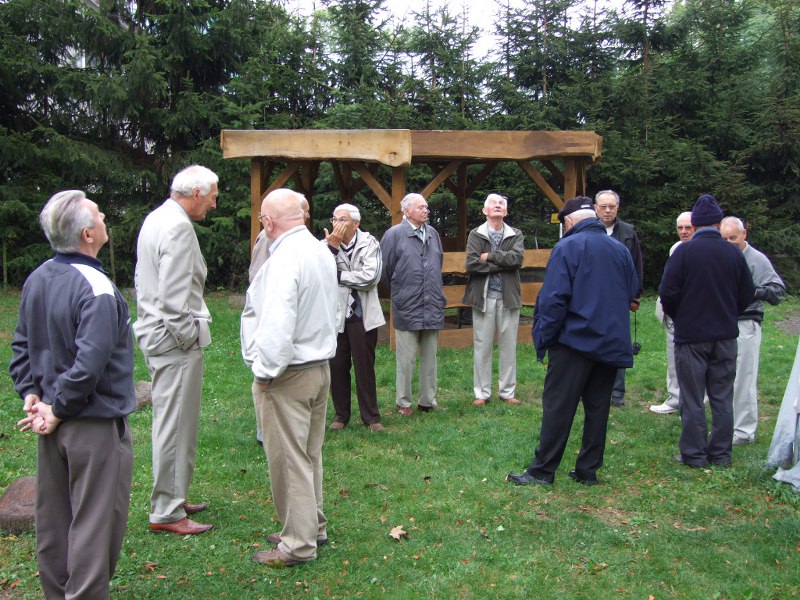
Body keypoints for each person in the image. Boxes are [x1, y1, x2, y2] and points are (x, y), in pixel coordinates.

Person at [9, 190, 135, 598]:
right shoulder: (97, 288)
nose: (104, 217)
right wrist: (56, 407)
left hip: (51, 422)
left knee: (55, 521)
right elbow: (89, 364)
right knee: (95, 527)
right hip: (91, 425)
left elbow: (21, 345)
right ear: (87, 234)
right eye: (99, 214)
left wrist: (32, 393)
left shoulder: (39, 276)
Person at [507, 197, 638, 486]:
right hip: (610, 341)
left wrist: (544, 338)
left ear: (568, 222)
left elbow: (554, 299)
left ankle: (542, 471)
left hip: (574, 341)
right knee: (598, 408)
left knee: (558, 406)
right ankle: (587, 470)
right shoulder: (620, 249)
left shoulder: (567, 246)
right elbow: (632, 289)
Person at [241, 188, 339, 567]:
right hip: (318, 367)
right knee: (309, 454)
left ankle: (297, 543)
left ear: (268, 223)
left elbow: (277, 323)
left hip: (288, 373)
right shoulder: (319, 251)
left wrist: (265, 373)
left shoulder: (284, 259)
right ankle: (312, 525)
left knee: (288, 459)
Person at [134, 165, 218, 535]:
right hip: (172, 341)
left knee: (174, 422)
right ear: (196, 192)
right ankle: (167, 510)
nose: (214, 204)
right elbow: (172, 299)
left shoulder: (157, 217)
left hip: (157, 335)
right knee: (175, 425)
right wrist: (187, 337)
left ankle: (174, 494)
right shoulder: (178, 227)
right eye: (212, 196)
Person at [659, 194, 755, 468]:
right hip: (725, 336)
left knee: (692, 397)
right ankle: (721, 453)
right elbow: (746, 293)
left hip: (691, 336)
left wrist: (681, 316)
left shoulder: (684, 252)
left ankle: (694, 454)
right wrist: (729, 313)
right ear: (718, 223)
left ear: (696, 224)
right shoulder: (733, 253)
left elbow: (668, 292)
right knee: (722, 396)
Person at [246, 197, 310, 445]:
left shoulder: (304, 246)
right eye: (303, 211)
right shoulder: (270, 240)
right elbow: (258, 279)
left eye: (305, 211)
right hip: (271, 326)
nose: (306, 215)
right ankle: (264, 432)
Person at [719, 216, 786, 445]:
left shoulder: (756, 259)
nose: (729, 243)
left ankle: (744, 431)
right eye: (724, 239)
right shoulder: (719, 256)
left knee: (743, 378)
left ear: (744, 234)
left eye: (733, 238)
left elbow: (778, 291)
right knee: (722, 377)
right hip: (721, 324)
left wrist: (754, 291)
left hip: (746, 323)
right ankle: (724, 425)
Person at [380, 193, 447, 416]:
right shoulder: (394, 234)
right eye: (421, 207)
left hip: (432, 304)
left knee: (430, 358)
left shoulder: (433, 234)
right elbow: (385, 270)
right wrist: (401, 292)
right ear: (407, 211)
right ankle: (404, 402)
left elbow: (438, 263)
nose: (426, 210)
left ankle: (427, 401)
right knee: (406, 359)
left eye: (426, 207)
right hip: (407, 305)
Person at [324, 203, 386, 432]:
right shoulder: (325, 245)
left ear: (356, 223)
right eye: (334, 219)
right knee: (337, 366)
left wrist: (339, 276)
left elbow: (371, 278)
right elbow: (320, 274)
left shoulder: (370, 243)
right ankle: (341, 415)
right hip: (335, 316)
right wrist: (332, 249)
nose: (336, 224)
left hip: (363, 316)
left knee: (364, 367)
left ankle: (371, 417)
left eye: (342, 219)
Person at [463, 193, 524, 406]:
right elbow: (471, 264)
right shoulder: (476, 234)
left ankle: (507, 392)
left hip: (508, 298)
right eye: (493, 203)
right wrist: (503, 264)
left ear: (506, 211)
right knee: (482, 345)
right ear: (485, 211)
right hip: (483, 297)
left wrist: (488, 256)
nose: (497, 206)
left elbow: (517, 259)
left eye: (501, 204)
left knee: (509, 346)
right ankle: (482, 393)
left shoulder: (515, 234)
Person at [594, 190, 644, 407]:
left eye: (611, 206)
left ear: (618, 208)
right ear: (595, 208)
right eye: (603, 206)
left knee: (618, 343)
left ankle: (617, 393)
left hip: (619, 297)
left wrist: (635, 295)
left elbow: (637, 265)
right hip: (592, 298)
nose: (607, 211)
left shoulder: (628, 232)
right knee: (592, 341)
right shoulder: (588, 230)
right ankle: (593, 389)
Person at [650, 211, 694, 414]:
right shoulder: (675, 248)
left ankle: (693, 402)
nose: (684, 231)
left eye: (688, 227)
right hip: (672, 313)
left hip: (692, 314)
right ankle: (675, 399)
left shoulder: (703, 250)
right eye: (680, 228)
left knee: (694, 360)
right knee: (673, 357)